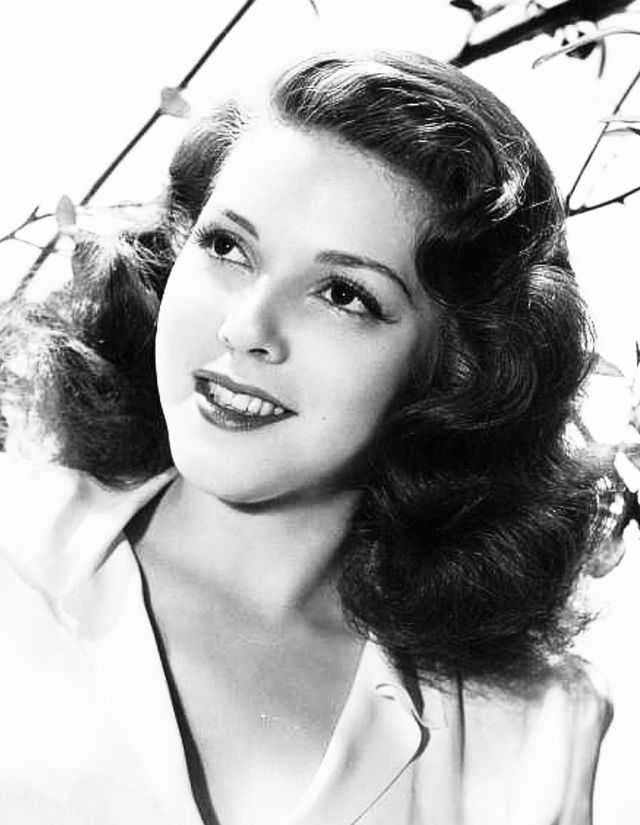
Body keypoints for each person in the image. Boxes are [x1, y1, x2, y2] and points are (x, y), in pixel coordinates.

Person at [0, 50, 612, 824]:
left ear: (457, 368)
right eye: (227, 247)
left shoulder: (534, 730)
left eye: (344, 294)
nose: (246, 325)